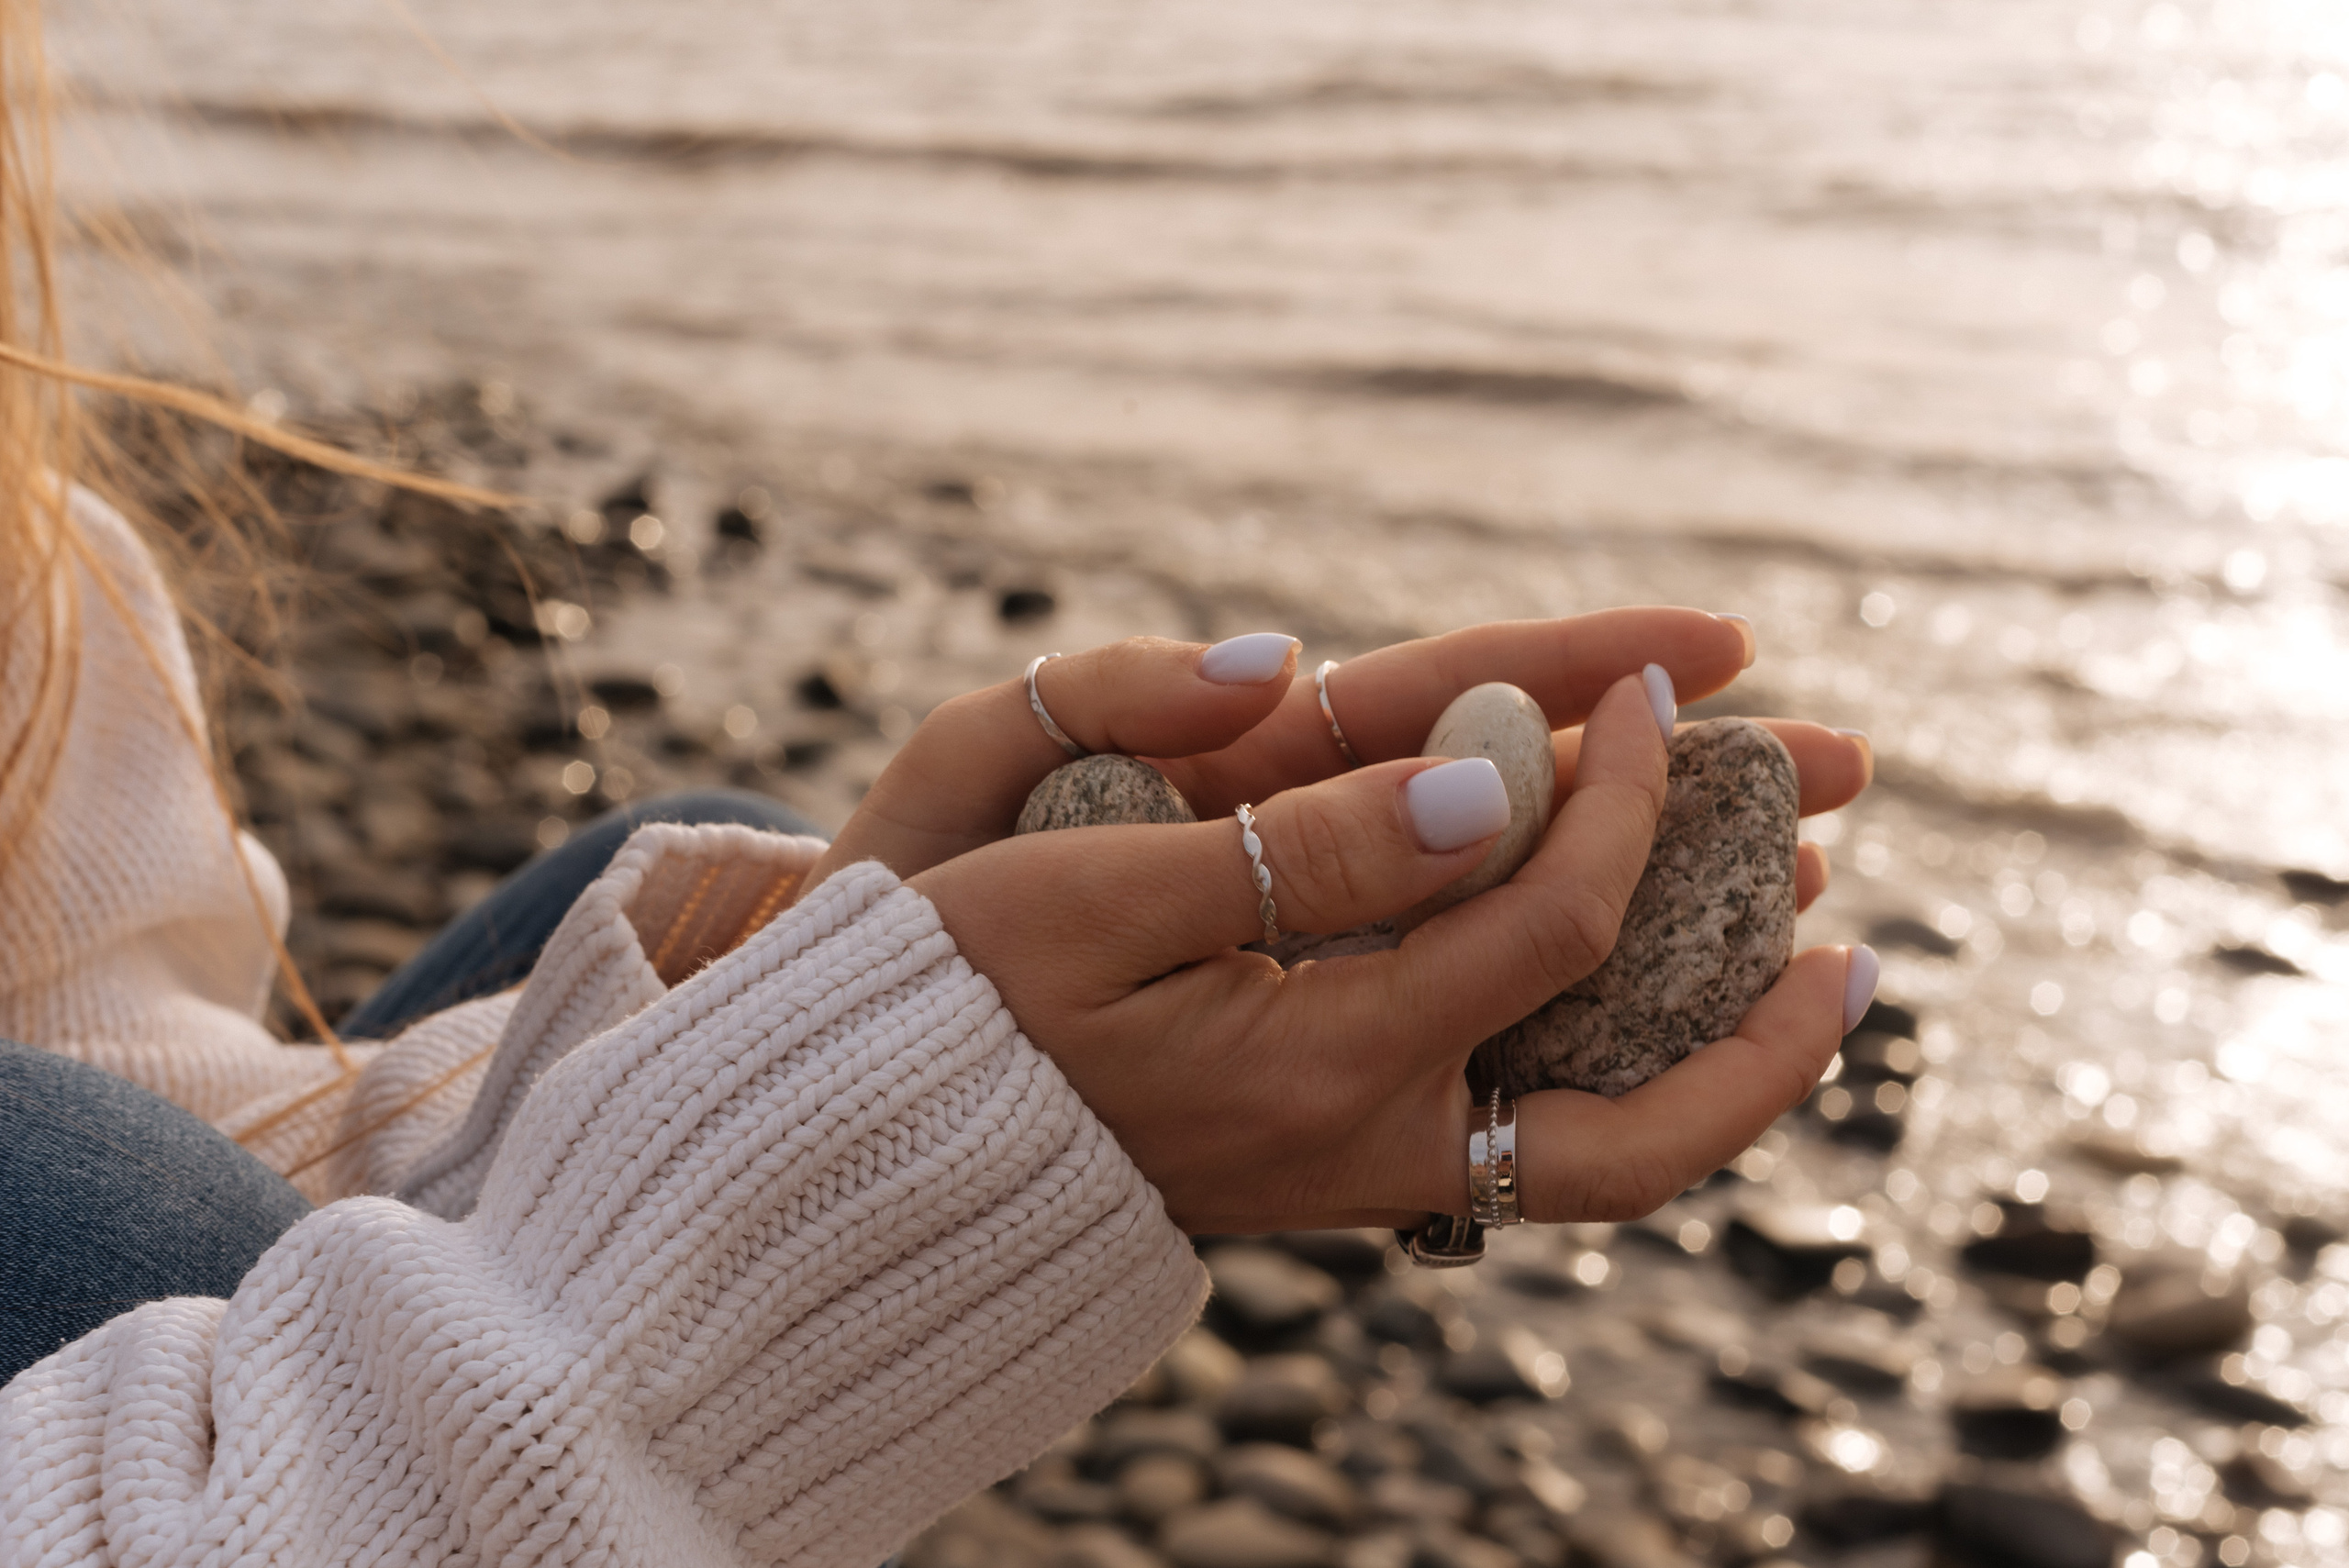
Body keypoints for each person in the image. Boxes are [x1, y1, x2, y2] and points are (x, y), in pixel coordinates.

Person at [0, 22, 1877, 1568]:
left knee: (738, 927)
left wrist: (823, 1033)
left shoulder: (37, 555)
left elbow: (171, 1112)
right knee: (110, 1208)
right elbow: (138, 1232)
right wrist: (833, 1199)